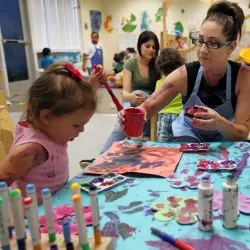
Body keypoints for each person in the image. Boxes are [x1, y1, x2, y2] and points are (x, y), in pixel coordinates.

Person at [120, 1, 250, 143]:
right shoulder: (185, 74)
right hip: (189, 137)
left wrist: (220, 123)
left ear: (231, 47)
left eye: (213, 43)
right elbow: (149, 106)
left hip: (226, 139)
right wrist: (132, 115)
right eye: (200, 41)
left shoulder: (243, 77)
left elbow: (242, 133)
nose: (202, 50)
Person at [0, 62, 104, 204]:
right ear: (47, 117)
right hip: (31, 218)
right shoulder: (30, 149)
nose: (82, 130)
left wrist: (92, 85)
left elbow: (75, 103)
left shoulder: (50, 131)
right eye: (76, 125)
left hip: (54, 207)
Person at [100, 31, 160, 154]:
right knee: (120, 124)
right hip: (133, 103)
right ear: (139, 46)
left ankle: (144, 137)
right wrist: (130, 97)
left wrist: (137, 96)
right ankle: (101, 156)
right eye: (147, 46)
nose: (151, 50)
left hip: (152, 103)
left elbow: (160, 91)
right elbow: (125, 93)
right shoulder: (130, 63)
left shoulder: (158, 65)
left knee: (138, 93)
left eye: (154, 47)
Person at [155, 48, 184, 141]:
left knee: (162, 141)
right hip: (179, 114)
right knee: (178, 140)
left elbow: (156, 100)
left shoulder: (159, 82)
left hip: (163, 114)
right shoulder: (182, 81)